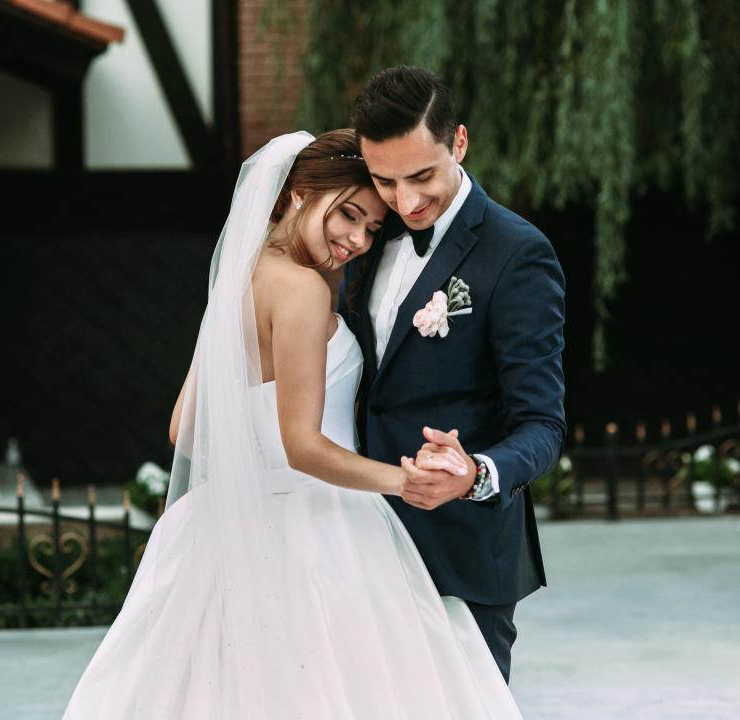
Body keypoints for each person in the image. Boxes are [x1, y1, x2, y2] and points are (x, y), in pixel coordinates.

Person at [61, 129, 522, 719]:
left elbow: (182, 428)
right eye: (349, 215)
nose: (356, 240)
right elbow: (301, 445)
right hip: (319, 529)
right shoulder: (303, 290)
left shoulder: (241, 277)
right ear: (300, 194)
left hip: (222, 527)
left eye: (372, 229)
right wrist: (403, 481)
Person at [344, 66, 567, 682]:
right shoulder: (361, 236)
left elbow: (542, 425)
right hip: (358, 544)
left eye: (422, 177)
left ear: (459, 143)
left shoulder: (518, 254)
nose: (406, 202)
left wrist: (476, 474)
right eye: (385, 181)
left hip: (463, 552)